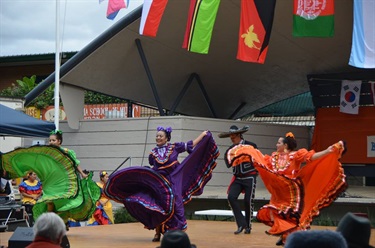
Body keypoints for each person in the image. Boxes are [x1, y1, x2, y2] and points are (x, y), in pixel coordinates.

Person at [225, 132, 347, 246]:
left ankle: (290, 237)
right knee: (275, 213)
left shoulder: (295, 155)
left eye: (279, 143)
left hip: (291, 192)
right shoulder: (273, 157)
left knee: (291, 216)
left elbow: (312, 157)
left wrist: (327, 151)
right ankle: (286, 235)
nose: (276, 144)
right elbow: (262, 161)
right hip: (278, 192)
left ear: (285, 145)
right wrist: (248, 153)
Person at [103, 126, 219, 242]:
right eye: (157, 136)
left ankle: (176, 233)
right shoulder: (153, 153)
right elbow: (153, 165)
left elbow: (190, 144)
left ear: (166, 138)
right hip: (157, 183)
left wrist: (202, 135)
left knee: (176, 206)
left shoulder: (174, 147)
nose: (158, 138)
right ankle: (157, 233)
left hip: (173, 181)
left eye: (160, 136)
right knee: (158, 207)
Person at [218, 125, 257, 235]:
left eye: (234, 135)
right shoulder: (230, 150)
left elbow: (258, 159)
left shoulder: (251, 145)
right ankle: (241, 223)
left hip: (250, 177)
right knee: (231, 197)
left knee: (248, 201)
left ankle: (248, 226)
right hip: (238, 178)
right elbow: (228, 164)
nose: (231, 137)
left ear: (239, 134)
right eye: (230, 135)